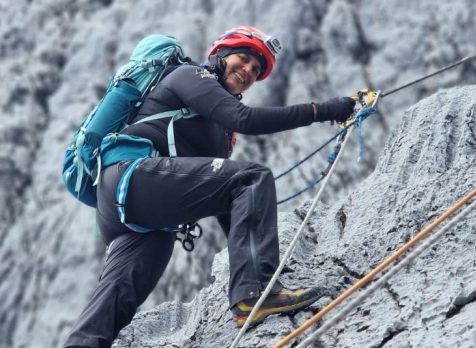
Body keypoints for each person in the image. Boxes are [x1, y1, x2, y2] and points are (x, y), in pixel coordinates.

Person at [63, 26, 367, 348]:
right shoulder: (190, 76)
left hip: (133, 211)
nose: (248, 70)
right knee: (252, 176)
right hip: (131, 176)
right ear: (220, 55)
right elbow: (245, 120)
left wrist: (256, 254)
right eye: (244, 58)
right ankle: (254, 293)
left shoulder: (220, 133)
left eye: (256, 69)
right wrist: (324, 110)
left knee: (118, 295)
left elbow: (227, 201)